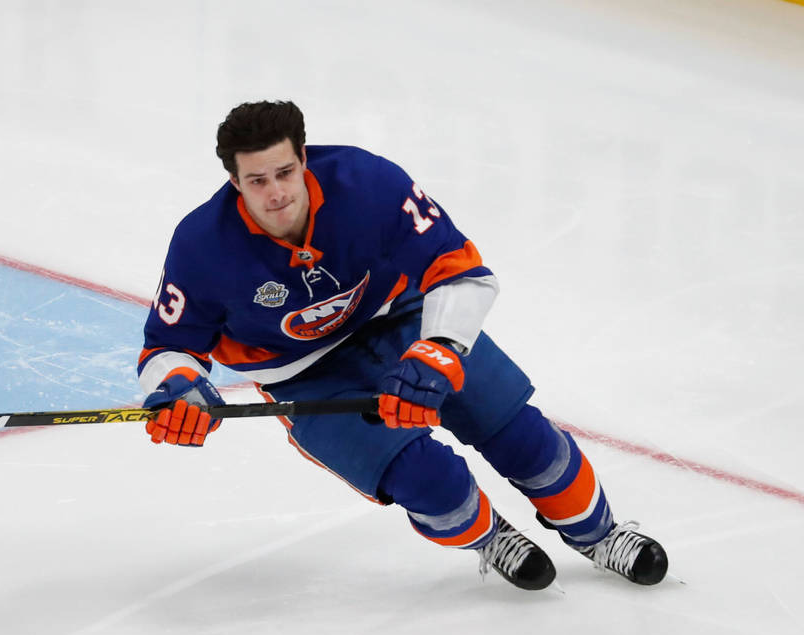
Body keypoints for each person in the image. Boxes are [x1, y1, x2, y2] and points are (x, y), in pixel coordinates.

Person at [136, 100, 667, 590]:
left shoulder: (368, 183)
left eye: (284, 172)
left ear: (303, 157)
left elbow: (458, 268)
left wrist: (439, 347)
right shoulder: (201, 245)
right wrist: (179, 387)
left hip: (401, 317)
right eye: (256, 181)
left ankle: (599, 535)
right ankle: (492, 538)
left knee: (519, 434)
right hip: (301, 374)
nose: (275, 193)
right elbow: (167, 345)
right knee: (426, 481)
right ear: (234, 181)